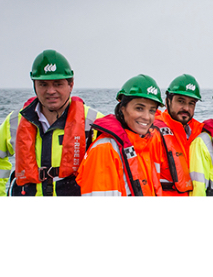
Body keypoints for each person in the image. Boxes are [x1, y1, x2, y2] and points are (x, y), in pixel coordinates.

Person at [0, 49, 103, 196]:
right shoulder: (14, 121)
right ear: (34, 85)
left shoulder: (94, 122)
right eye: (43, 84)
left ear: (71, 84)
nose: (51, 91)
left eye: (58, 84)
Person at [76, 74, 171, 196]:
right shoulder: (105, 150)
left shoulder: (143, 144)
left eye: (152, 110)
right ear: (122, 108)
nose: (147, 117)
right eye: (139, 108)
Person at [153, 74, 203, 196]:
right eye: (180, 101)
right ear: (167, 101)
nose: (186, 108)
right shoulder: (152, 132)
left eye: (191, 103)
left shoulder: (200, 131)